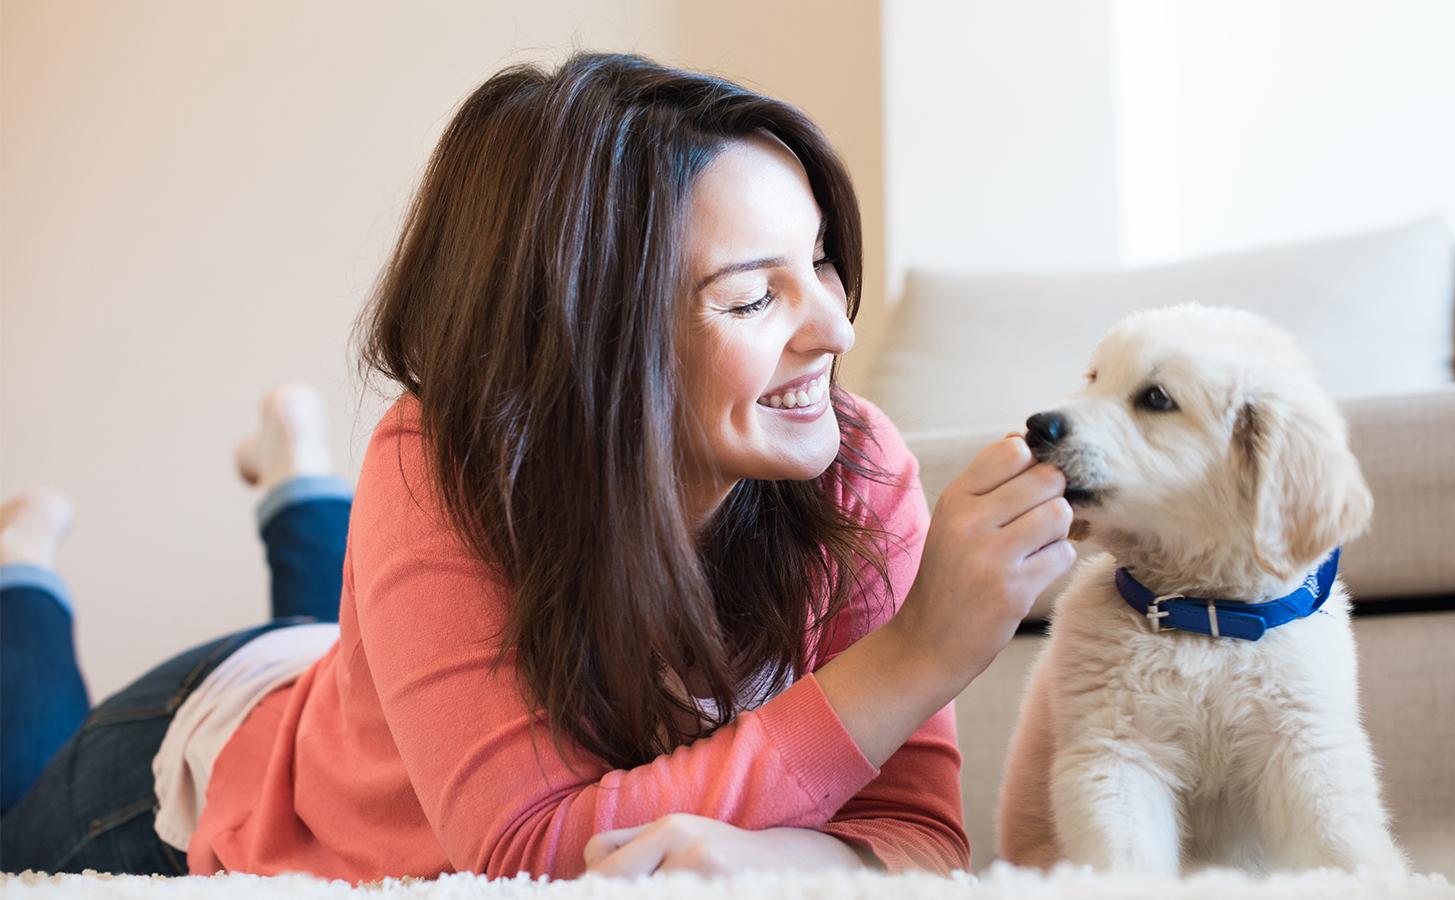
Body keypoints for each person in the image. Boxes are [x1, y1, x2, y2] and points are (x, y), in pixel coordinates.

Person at [0, 52, 1076, 880]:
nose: (834, 328)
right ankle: (28, 568)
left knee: (354, 641)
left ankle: (298, 485)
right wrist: (917, 656)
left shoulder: (854, 470)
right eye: (753, 297)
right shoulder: (449, 457)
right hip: (200, 761)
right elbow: (520, 851)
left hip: (363, 684)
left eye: (823, 263)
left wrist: (761, 858)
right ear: (590, 339)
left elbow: (916, 841)